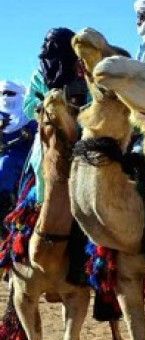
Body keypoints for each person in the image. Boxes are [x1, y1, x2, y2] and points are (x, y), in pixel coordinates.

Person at [22, 28, 89, 203]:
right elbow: (28, 106)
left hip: (81, 133)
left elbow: (92, 101)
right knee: (41, 166)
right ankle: (43, 206)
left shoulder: (82, 71)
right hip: (49, 132)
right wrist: (46, 106)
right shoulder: (39, 75)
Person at [0, 81, 37, 220]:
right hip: (5, 154)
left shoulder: (28, 113)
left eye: (10, 93)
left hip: (28, 158)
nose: (5, 97)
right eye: (2, 93)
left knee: (5, 166)